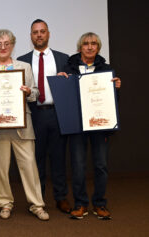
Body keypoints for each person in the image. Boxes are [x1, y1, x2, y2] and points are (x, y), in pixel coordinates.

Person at [0, 29, 49, 220]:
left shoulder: (24, 67)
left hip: (22, 124)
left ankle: (37, 205)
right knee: (0, 168)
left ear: (13, 45)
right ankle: (5, 203)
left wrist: (27, 92)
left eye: (6, 43)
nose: (2, 47)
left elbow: (35, 93)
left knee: (30, 166)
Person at [58, 32, 121, 220]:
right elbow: (64, 98)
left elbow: (112, 102)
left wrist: (116, 89)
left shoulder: (106, 69)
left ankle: (100, 204)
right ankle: (81, 204)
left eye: (94, 43)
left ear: (98, 47)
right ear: (80, 47)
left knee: (101, 165)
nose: (90, 47)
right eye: (86, 43)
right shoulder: (68, 68)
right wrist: (61, 83)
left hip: (99, 125)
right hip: (77, 125)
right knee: (78, 166)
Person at [17, 19, 71, 213]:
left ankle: (61, 197)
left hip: (57, 113)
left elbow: (72, 88)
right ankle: (37, 200)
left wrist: (68, 80)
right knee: (35, 160)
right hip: (34, 115)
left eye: (42, 31)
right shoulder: (21, 60)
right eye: (35, 32)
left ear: (48, 34)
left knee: (58, 158)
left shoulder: (63, 59)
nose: (39, 35)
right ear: (30, 36)